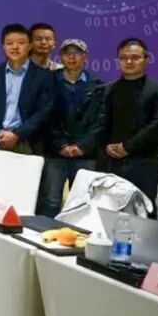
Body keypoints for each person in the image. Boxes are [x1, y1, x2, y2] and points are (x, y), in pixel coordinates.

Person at [86, 38, 158, 205]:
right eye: (123, 58)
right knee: (109, 208)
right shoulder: (109, 89)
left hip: (145, 162)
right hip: (111, 161)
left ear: (146, 59)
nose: (129, 62)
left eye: (135, 57)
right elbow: (101, 123)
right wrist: (106, 146)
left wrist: (128, 147)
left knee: (141, 209)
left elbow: (157, 125)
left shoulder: (155, 90)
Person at [0, 23, 56, 169]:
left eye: (21, 42)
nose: (15, 47)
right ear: (3, 46)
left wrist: (18, 134)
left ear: (30, 46)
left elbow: (44, 111)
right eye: (9, 43)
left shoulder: (44, 76)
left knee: (25, 183)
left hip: (27, 143)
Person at [39, 39, 103, 217]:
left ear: (85, 57)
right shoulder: (49, 81)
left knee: (83, 203)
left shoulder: (97, 85)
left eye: (77, 53)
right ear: (60, 56)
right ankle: (45, 231)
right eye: (67, 53)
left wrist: (82, 146)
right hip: (55, 151)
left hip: (85, 154)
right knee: (51, 200)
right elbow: (45, 117)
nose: (72, 57)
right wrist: (61, 145)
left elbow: (100, 121)